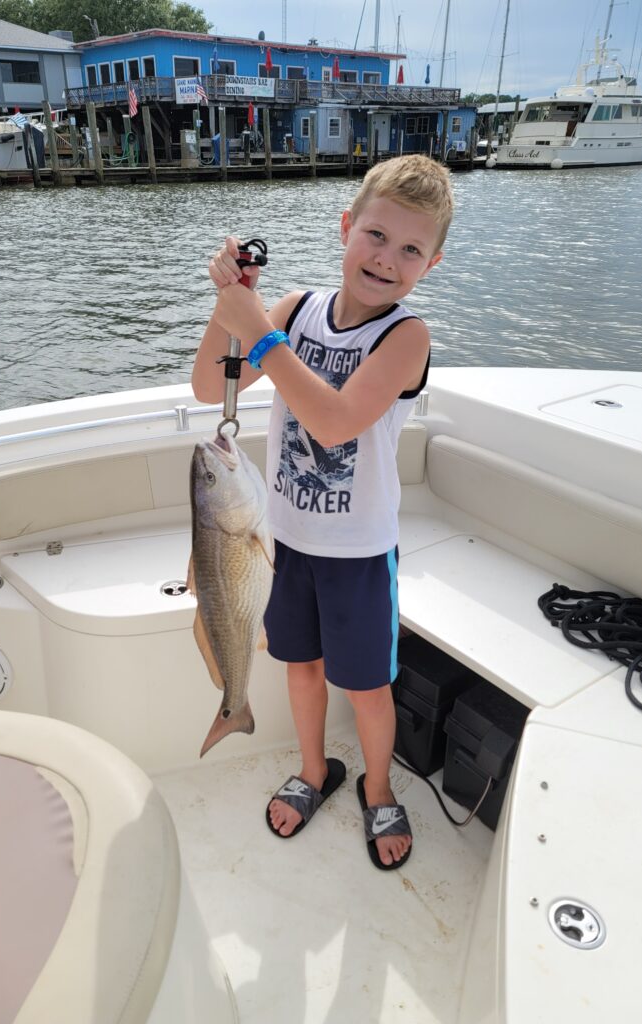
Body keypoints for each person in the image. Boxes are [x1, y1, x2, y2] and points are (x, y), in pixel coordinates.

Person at [191, 155, 453, 870]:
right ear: (345, 228)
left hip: (361, 554)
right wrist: (233, 305)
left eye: (410, 249)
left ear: (429, 264)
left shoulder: (406, 337)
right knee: (298, 669)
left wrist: (259, 329)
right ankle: (314, 771)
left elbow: (335, 422)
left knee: (367, 688)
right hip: (285, 547)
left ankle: (377, 786)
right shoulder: (296, 310)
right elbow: (210, 383)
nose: (386, 259)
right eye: (375, 235)